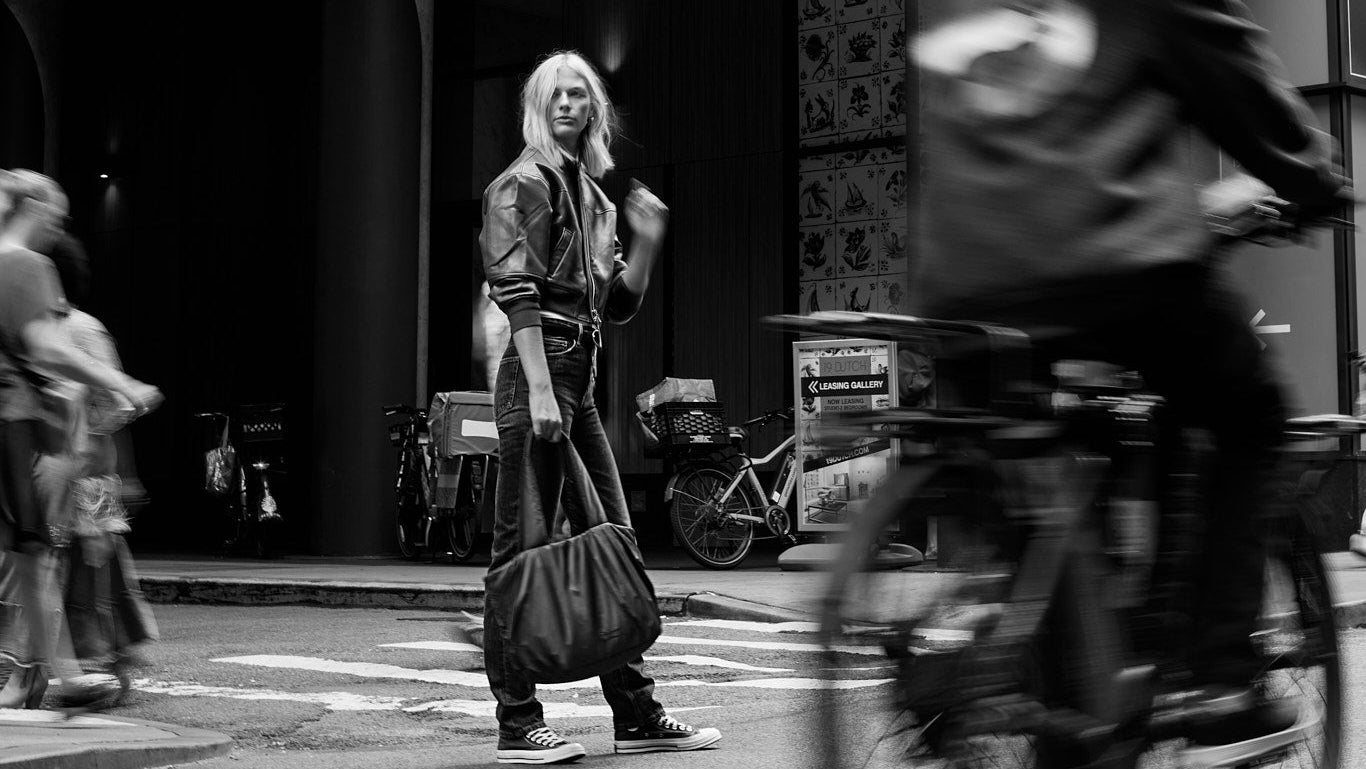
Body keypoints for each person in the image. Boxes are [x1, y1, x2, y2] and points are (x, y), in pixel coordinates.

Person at [910, 2, 1350, 766]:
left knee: (1045, 475)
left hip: (960, 276)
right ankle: (1221, 685)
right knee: (1248, 417)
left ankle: (1071, 697)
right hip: (1105, 258)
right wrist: (1315, 180)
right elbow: (1238, 79)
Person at [477, 51, 721, 764]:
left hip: (576, 382)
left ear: (593, 108)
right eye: (553, 93)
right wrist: (543, 390)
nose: (565, 103)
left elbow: (614, 303)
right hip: (538, 378)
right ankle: (518, 721)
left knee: (616, 537)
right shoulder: (521, 184)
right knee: (518, 554)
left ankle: (636, 713)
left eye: (577, 93)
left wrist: (645, 243)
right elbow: (515, 291)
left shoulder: (596, 199)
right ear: (537, 105)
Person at [0, 169, 160, 710]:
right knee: (39, 562)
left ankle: (62, 672)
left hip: (63, 462)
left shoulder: (75, 321)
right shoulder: (26, 274)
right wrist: (119, 384)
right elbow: (52, 357)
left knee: (51, 563)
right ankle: (52, 673)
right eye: (55, 216)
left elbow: (99, 418)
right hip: (40, 452)